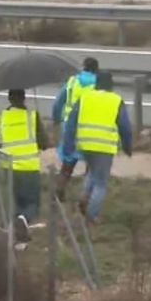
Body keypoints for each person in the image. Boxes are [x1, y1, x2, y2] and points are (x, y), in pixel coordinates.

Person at [62, 73, 133, 226]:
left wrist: (68, 146)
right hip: (104, 147)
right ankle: (91, 216)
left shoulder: (85, 98)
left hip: (84, 144)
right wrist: (128, 147)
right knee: (101, 182)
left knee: (92, 172)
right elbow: (125, 127)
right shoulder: (116, 100)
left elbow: (71, 123)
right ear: (111, 85)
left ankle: (84, 197)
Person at [0, 89, 50, 234]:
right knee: (31, 204)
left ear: (9, 99)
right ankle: (23, 221)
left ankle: (15, 236)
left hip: (8, 169)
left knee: (13, 205)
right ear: (24, 98)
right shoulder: (32, 117)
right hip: (29, 169)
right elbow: (44, 143)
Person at [51, 57, 99, 184]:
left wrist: (56, 120)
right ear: (96, 70)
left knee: (68, 163)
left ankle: (58, 194)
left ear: (83, 67)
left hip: (70, 127)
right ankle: (87, 197)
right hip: (91, 128)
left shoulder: (72, 82)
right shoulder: (99, 85)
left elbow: (57, 104)